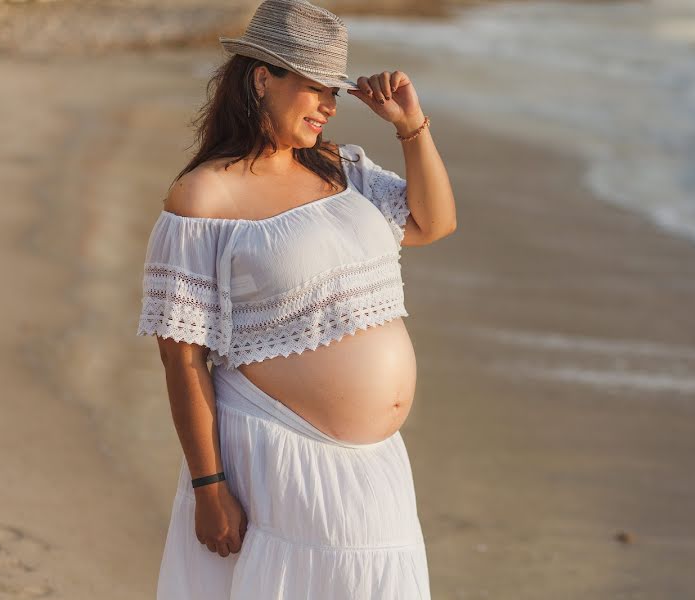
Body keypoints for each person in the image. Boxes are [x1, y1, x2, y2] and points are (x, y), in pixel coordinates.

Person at [135, 0, 456, 597]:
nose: (330, 106)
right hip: (276, 456)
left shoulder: (341, 168)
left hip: (377, 465)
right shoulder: (203, 200)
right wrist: (210, 486)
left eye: (334, 90)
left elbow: (432, 222)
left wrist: (412, 126)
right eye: (315, 88)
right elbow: (181, 357)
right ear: (263, 78)